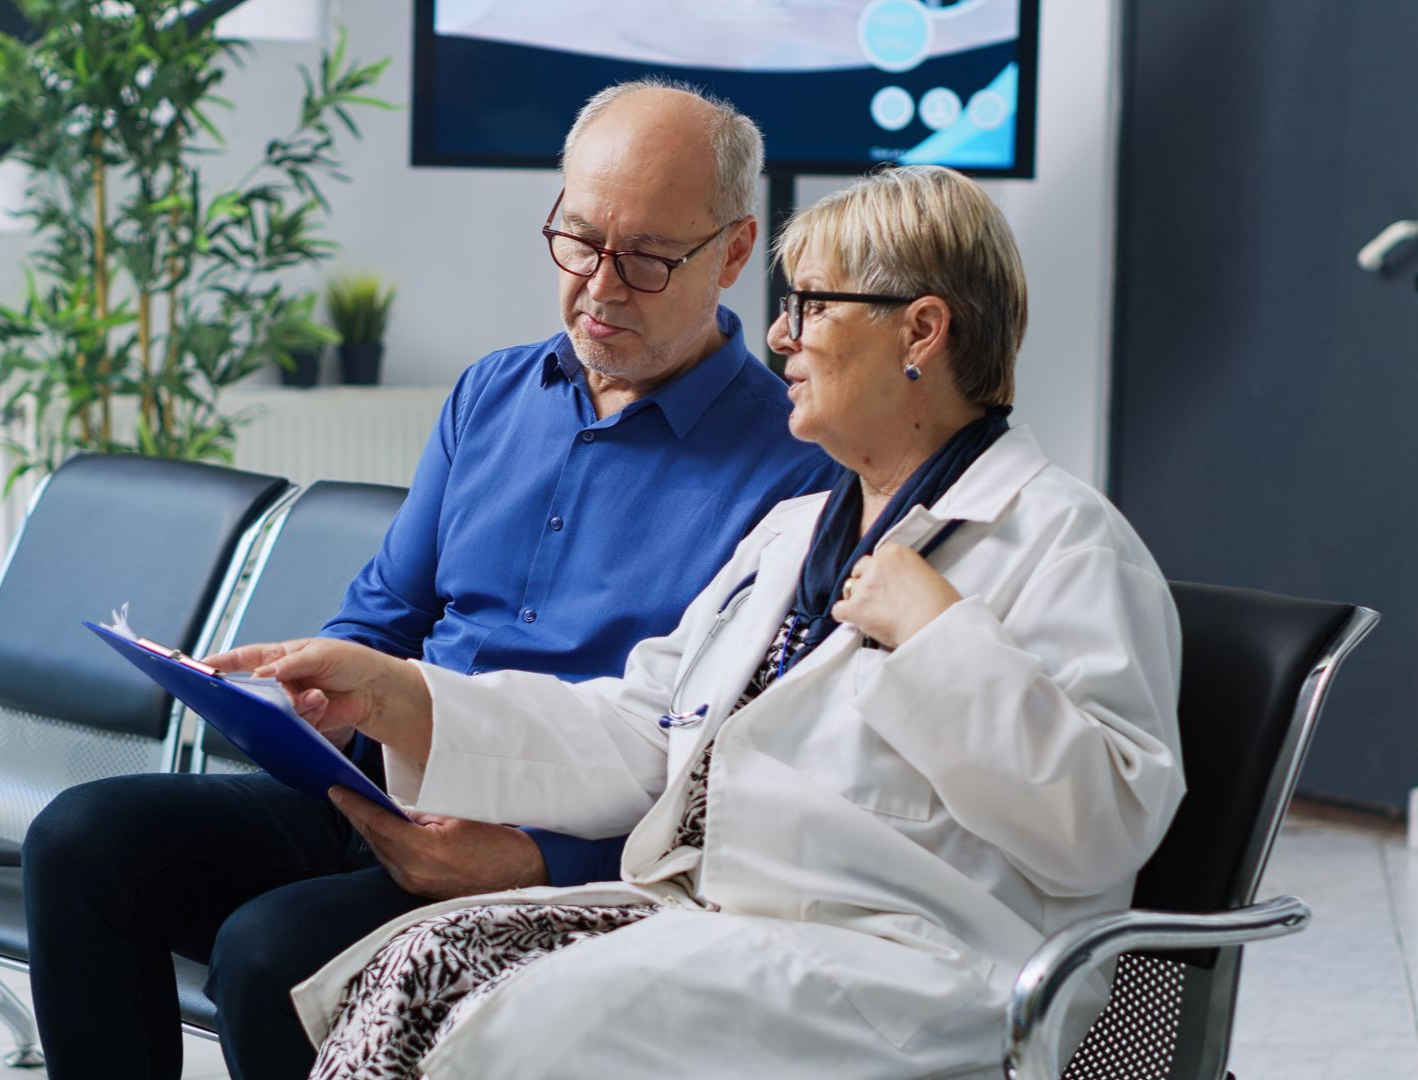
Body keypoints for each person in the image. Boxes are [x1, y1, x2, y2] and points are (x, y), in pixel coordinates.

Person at [211, 165, 1187, 1080]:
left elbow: (1101, 827)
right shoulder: (797, 532)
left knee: (522, 1027)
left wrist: (940, 643)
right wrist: (403, 697)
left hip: (908, 963)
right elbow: (642, 729)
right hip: (725, 921)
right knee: (408, 967)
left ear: (920, 331)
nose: (778, 337)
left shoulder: (1061, 540)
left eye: (809, 305)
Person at [20, 80, 837, 1080]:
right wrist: (300, 697)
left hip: (553, 852)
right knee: (82, 840)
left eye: (648, 258)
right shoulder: (492, 392)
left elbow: (730, 782)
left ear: (735, 252)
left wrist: (540, 860)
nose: (600, 285)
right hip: (380, 791)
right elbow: (383, 617)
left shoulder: (797, 470)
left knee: (272, 951)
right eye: (577, 241)